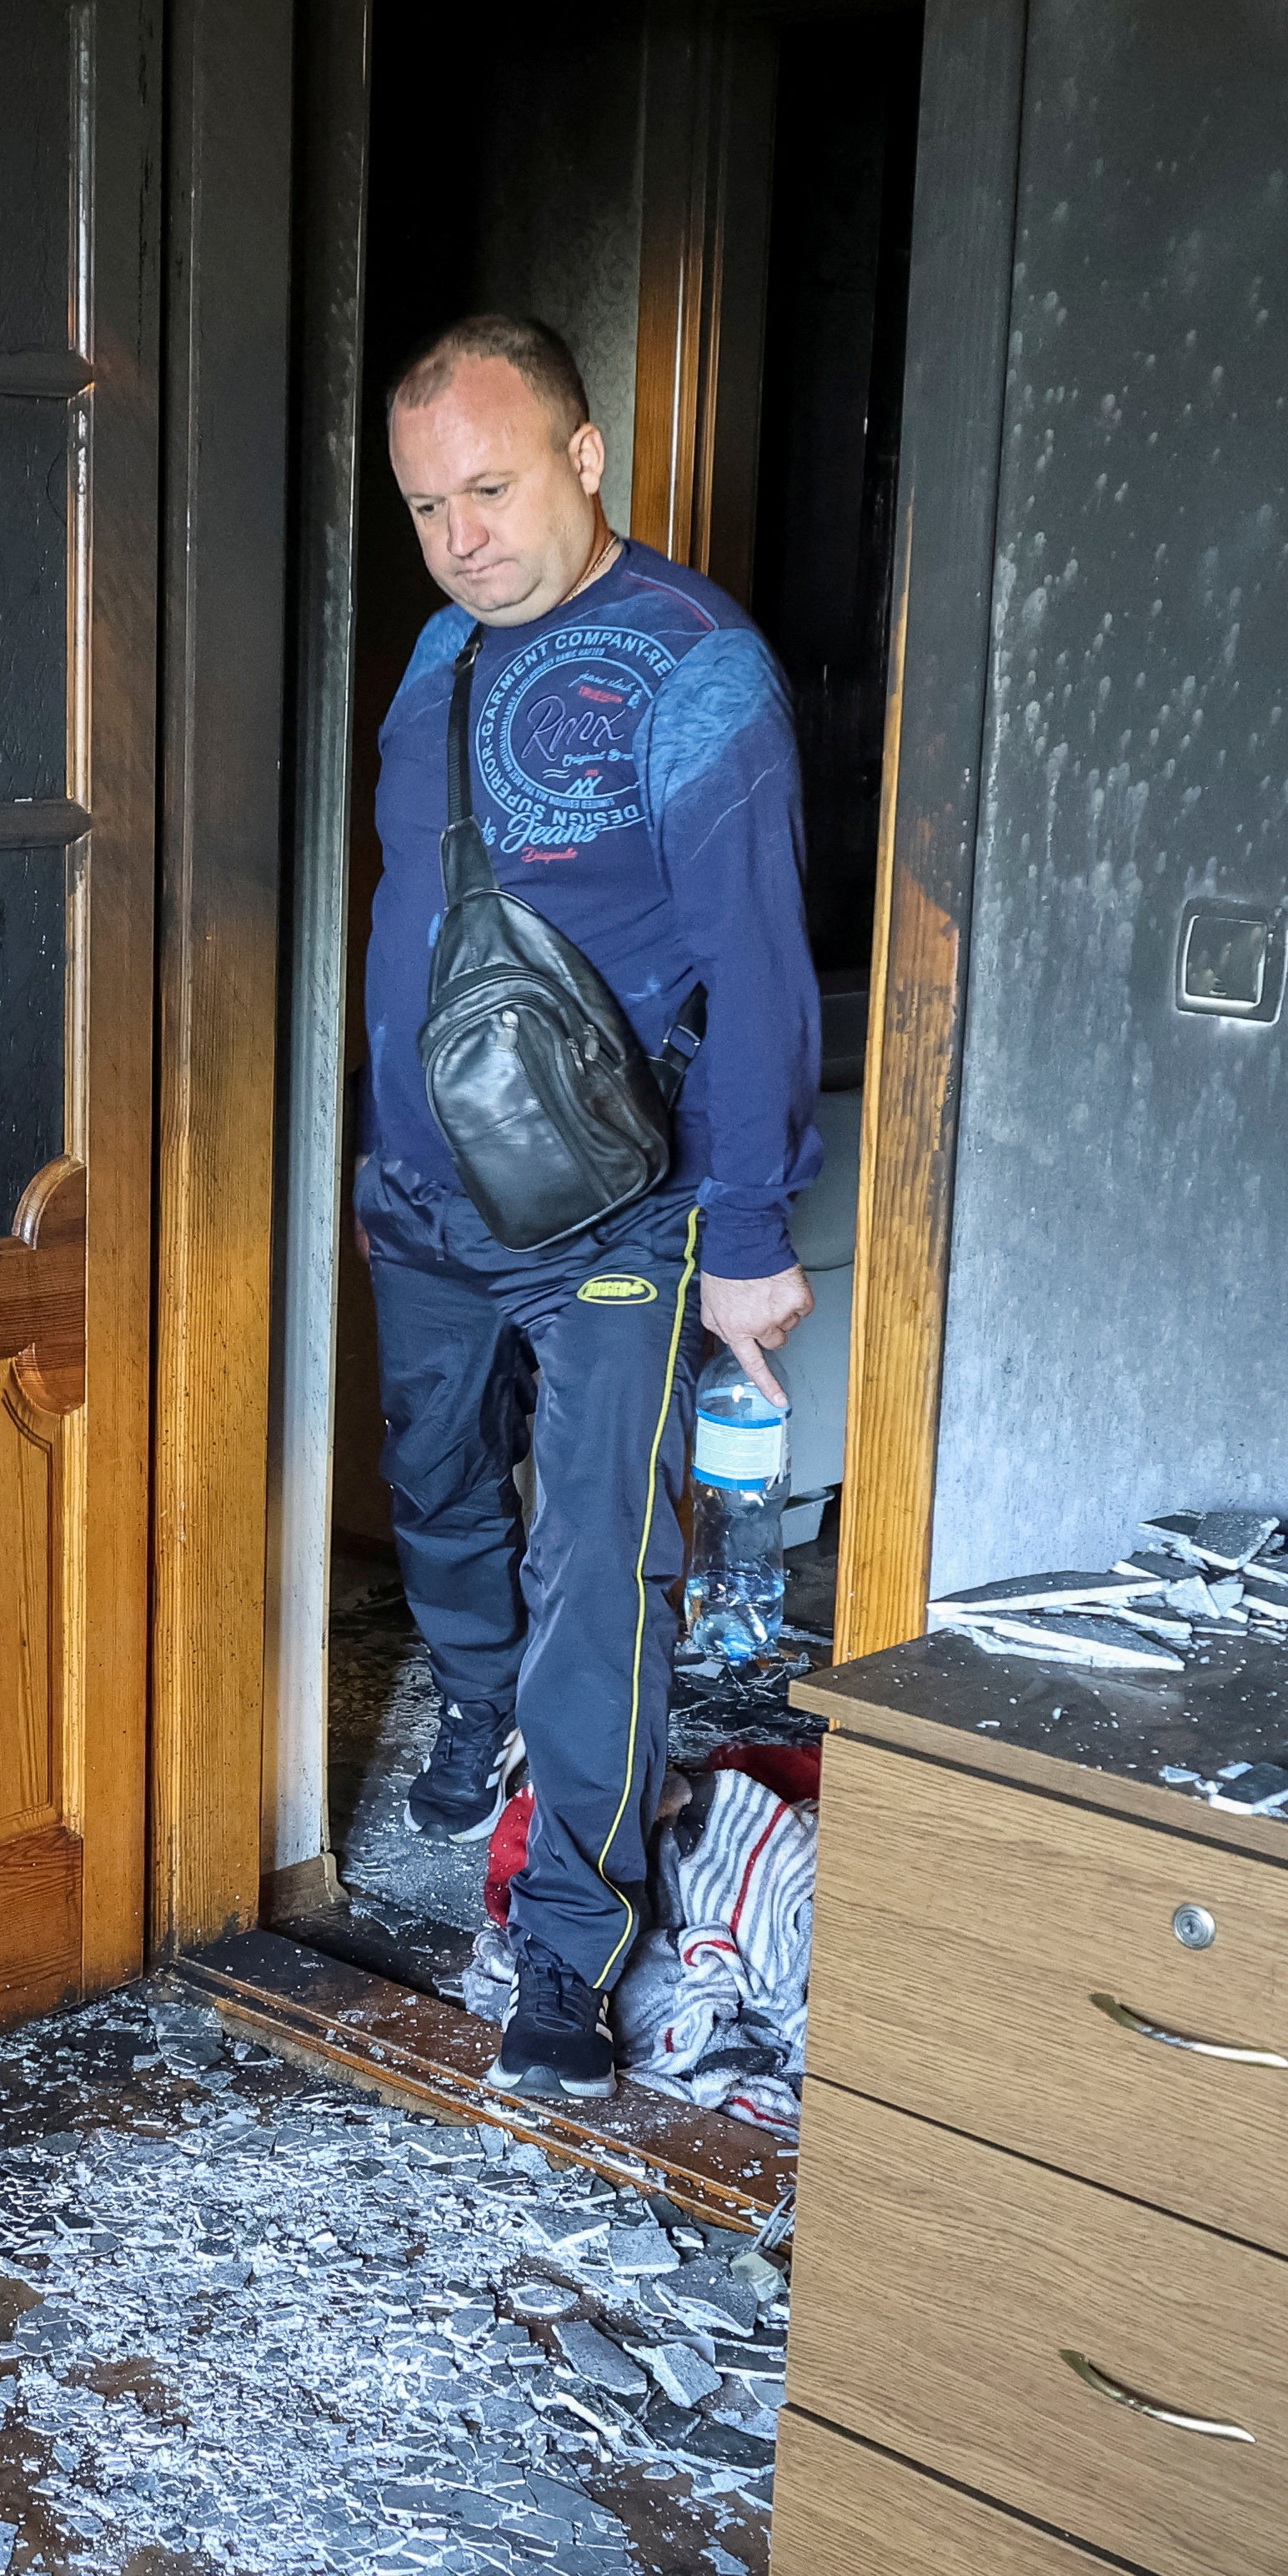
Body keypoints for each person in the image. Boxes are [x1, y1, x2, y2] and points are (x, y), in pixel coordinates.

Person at [358, 311, 820, 2099]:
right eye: (423, 505)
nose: (460, 535)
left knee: (598, 1569)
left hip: (610, 1214)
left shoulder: (694, 664)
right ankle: (472, 1691)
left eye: (487, 485)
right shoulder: (435, 652)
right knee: (435, 1487)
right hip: (419, 1189)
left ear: (583, 457)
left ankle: (568, 1935)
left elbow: (755, 968)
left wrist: (754, 1237)